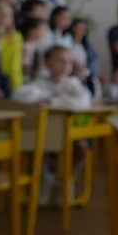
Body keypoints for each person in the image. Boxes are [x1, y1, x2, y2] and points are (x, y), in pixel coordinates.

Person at [12, 45, 92, 205]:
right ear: (48, 62)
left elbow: (83, 101)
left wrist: (51, 100)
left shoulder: (73, 83)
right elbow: (18, 95)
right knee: (39, 145)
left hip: (70, 134)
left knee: (82, 146)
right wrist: (53, 96)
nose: (65, 65)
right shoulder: (40, 82)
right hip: (44, 135)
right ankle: (46, 179)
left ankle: (67, 179)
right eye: (60, 61)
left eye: (69, 62)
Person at [0, 0, 23, 97]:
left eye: (9, 15)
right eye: (1, 14)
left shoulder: (15, 37)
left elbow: (15, 63)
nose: (5, 18)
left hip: (4, 77)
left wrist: (16, 86)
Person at [19, 16, 49, 82]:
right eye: (42, 29)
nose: (44, 33)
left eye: (46, 30)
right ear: (31, 31)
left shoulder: (39, 46)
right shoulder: (24, 47)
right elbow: (25, 69)